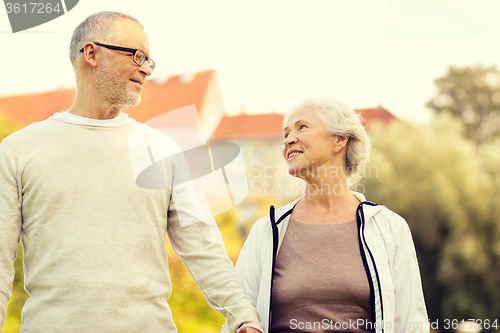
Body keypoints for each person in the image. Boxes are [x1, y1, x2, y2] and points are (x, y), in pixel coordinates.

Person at [0, 11, 263, 333]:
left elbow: (203, 245)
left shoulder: (162, 150)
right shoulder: (18, 150)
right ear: (92, 53)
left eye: (150, 61)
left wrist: (243, 316)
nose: (146, 70)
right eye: (137, 55)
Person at [222, 97, 429, 333]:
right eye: (285, 134)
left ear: (340, 139)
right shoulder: (267, 231)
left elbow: (412, 324)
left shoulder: (389, 228)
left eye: (302, 127)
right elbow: (238, 316)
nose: (289, 139)